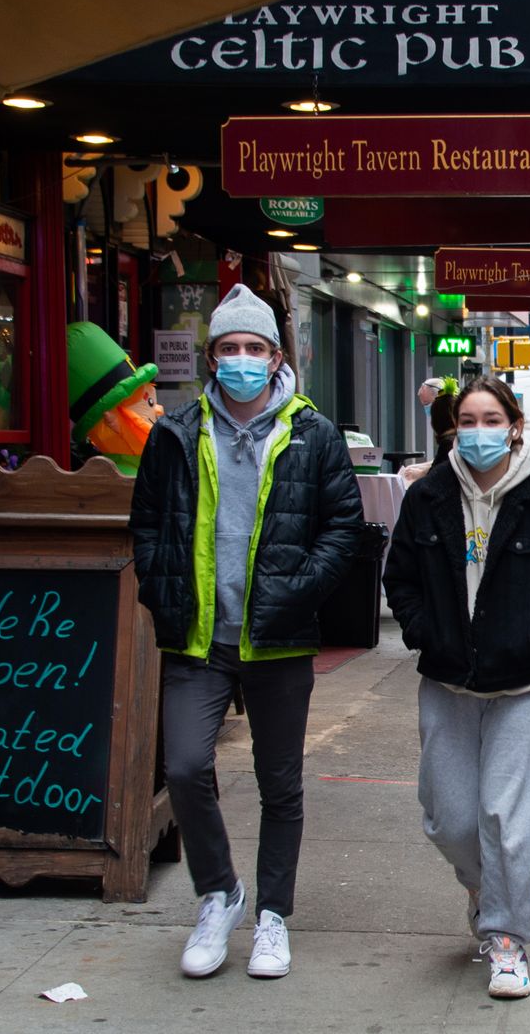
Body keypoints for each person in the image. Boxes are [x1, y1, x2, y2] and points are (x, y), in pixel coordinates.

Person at [129, 283, 364, 980]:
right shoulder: (174, 433)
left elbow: (343, 527)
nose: (241, 360)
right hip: (198, 637)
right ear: (210, 358)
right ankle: (218, 894)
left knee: (279, 783)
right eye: (228, 349)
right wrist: (157, 585)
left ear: (275, 356)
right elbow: (146, 523)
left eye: (253, 349)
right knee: (184, 767)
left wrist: (298, 591)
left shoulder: (312, 433)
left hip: (278, 637)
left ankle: (272, 918)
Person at [381, 377, 530, 999]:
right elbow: (400, 579)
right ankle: (482, 888)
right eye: (467, 420)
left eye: (491, 418)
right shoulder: (428, 501)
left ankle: (505, 939)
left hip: (524, 686)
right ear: (454, 428)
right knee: (449, 821)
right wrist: (426, 633)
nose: (479, 431)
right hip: (448, 684)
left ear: (514, 424)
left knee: (510, 822)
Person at [401, 376, 458, 483]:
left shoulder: (450, 442)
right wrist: (419, 467)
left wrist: (421, 473)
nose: (427, 409)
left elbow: (439, 469)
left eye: (427, 404)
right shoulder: (451, 441)